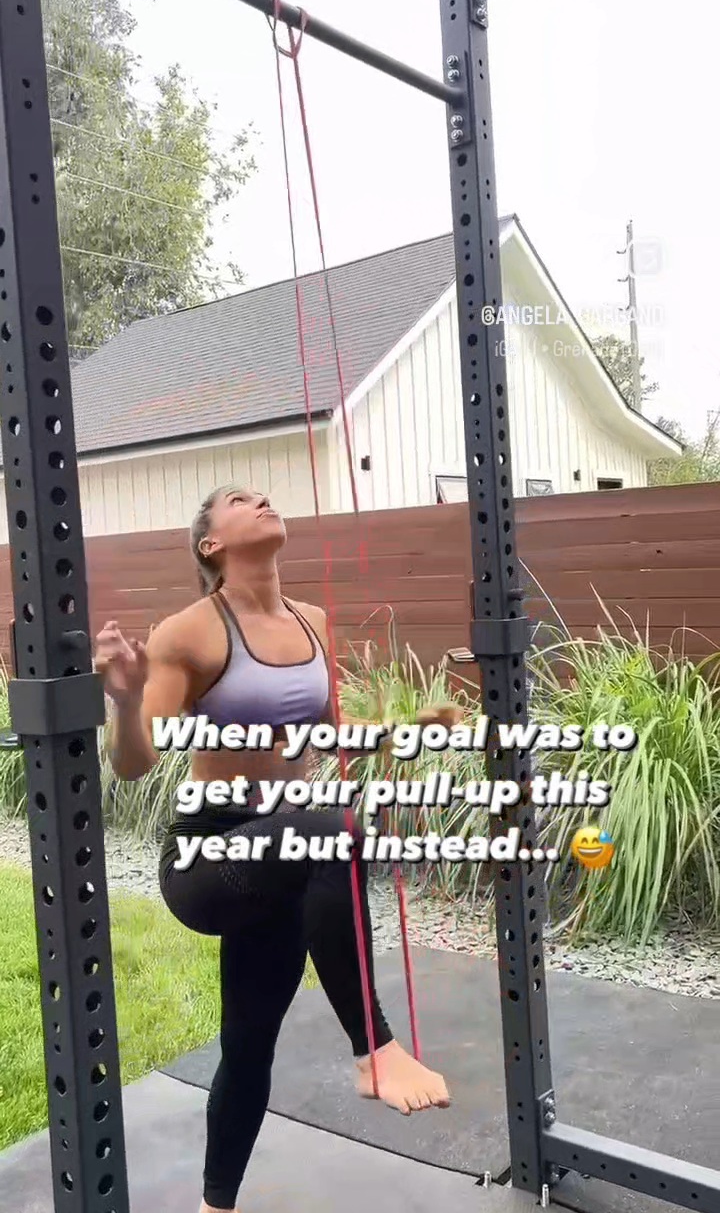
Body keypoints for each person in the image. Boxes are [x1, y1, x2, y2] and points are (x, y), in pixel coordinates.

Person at [95, 485, 453, 1213]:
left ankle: (214, 1206)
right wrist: (127, 701)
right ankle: (374, 1050)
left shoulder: (313, 621)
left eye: (261, 494)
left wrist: (402, 732)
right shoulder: (188, 633)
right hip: (208, 855)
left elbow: (321, 734)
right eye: (239, 499)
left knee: (248, 1043)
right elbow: (132, 763)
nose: (260, 498)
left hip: (289, 861)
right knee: (329, 829)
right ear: (211, 544)